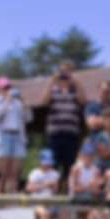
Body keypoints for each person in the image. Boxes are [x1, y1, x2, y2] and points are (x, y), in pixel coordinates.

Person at [39, 60, 85, 189]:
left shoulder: (75, 92)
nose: (64, 74)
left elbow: (83, 100)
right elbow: (43, 102)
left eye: (67, 71)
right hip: (54, 136)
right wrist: (51, 82)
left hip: (71, 137)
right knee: (52, 168)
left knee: (69, 168)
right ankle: (53, 199)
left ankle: (66, 196)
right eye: (62, 71)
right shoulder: (53, 90)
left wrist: (76, 82)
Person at [0, 76, 31, 193]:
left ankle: (9, 204)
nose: (8, 89)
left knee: (13, 174)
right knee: (0, 174)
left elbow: (29, 118)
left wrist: (25, 104)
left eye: (9, 87)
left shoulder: (18, 103)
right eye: (5, 87)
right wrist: (6, 101)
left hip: (17, 138)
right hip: (1, 139)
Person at [70, 143, 105, 219]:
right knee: (94, 212)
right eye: (87, 155)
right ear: (81, 155)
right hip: (77, 200)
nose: (89, 158)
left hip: (90, 202)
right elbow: (74, 189)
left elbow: (96, 192)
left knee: (94, 213)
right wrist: (87, 186)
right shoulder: (76, 169)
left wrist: (97, 185)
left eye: (91, 155)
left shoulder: (96, 170)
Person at [26, 149, 60, 219]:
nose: (47, 165)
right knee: (44, 213)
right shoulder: (34, 173)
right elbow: (29, 188)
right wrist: (43, 185)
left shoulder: (54, 174)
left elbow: (55, 190)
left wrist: (51, 186)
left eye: (49, 163)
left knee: (46, 214)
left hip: (49, 202)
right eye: (45, 163)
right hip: (35, 202)